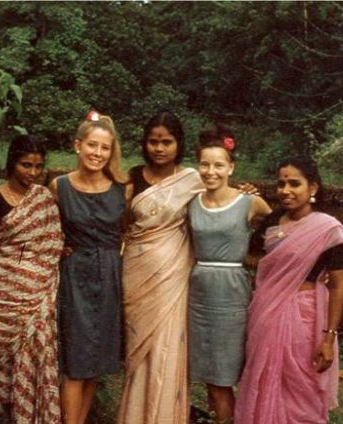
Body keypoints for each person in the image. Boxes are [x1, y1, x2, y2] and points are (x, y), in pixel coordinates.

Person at [234, 156, 343, 424]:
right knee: (263, 377)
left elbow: (338, 287)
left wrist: (328, 339)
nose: (285, 190)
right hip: (266, 312)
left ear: (313, 187)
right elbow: (249, 253)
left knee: (302, 384)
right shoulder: (272, 221)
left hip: (304, 316)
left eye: (294, 183)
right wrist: (243, 200)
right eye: (281, 184)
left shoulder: (328, 230)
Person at [117, 111, 205, 424]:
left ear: (178, 144)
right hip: (137, 273)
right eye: (153, 141)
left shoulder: (192, 181)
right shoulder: (132, 178)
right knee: (138, 349)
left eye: (166, 142)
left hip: (173, 275)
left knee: (168, 345)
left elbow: (217, 209)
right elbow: (121, 225)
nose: (159, 148)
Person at [187, 125, 271, 423]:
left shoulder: (249, 202)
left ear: (231, 167)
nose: (211, 171)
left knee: (224, 376)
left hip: (231, 292)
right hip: (198, 293)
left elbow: (281, 233)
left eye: (219, 165)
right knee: (207, 373)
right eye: (205, 164)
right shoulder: (191, 202)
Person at [49, 111, 129, 424]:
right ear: (77, 145)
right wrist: (59, 249)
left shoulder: (123, 188)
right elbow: (45, 230)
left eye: (105, 147)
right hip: (74, 276)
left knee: (97, 361)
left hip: (109, 276)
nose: (97, 153)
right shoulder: (59, 187)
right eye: (92, 145)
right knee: (75, 363)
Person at [0, 135, 64, 423]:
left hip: (38, 297)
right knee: (4, 370)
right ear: (12, 163)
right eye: (26, 165)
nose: (33, 172)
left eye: (38, 166)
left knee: (37, 362)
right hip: (5, 295)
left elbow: (52, 240)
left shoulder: (44, 198)